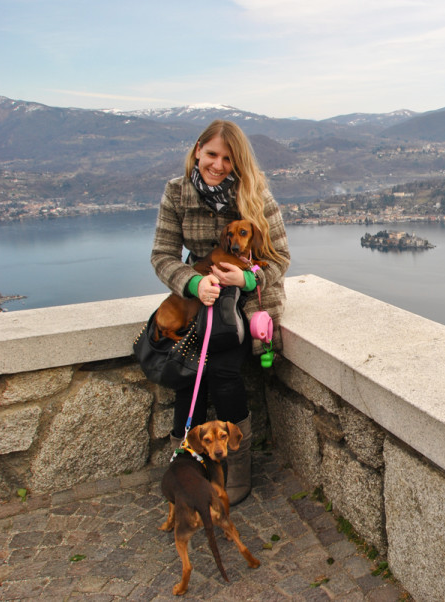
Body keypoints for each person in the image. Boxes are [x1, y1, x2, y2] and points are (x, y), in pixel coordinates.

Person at [151, 119, 290, 504]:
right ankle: (188, 465)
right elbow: (162, 256)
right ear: (197, 150)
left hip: (247, 303)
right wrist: (193, 283)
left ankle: (237, 466)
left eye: (228, 159)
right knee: (190, 370)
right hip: (200, 299)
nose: (218, 165)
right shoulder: (176, 193)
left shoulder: (255, 194)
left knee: (224, 367)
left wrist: (246, 281)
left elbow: (281, 259)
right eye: (211, 154)